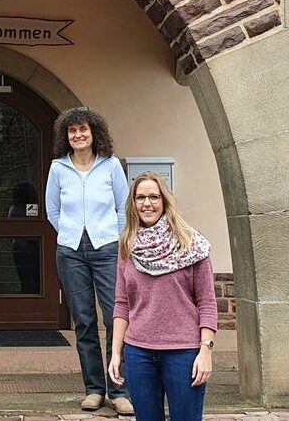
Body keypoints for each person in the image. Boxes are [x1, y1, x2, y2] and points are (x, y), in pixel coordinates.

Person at [108, 172, 218, 421]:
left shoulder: (191, 244)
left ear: (165, 201)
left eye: (154, 197)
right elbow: (122, 304)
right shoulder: (127, 246)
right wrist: (117, 353)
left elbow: (207, 302)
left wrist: (206, 351)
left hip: (184, 353)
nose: (147, 203)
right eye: (140, 197)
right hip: (139, 353)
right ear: (133, 204)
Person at [45, 106, 133, 414]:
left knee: (115, 318)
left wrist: (116, 238)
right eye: (72, 131)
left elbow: (124, 208)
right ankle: (94, 389)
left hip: (107, 248)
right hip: (71, 251)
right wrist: (72, 235)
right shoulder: (58, 168)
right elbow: (52, 211)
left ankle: (119, 390)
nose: (78, 135)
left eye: (83, 130)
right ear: (66, 136)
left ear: (95, 133)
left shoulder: (110, 166)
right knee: (84, 321)